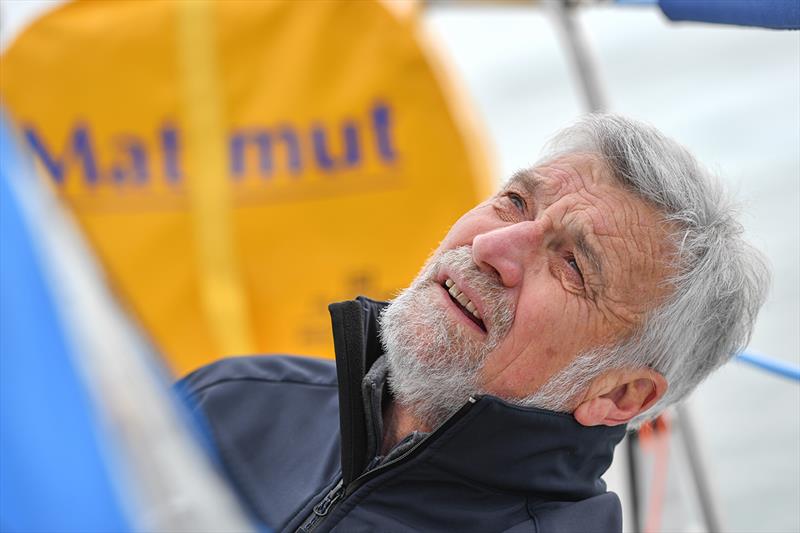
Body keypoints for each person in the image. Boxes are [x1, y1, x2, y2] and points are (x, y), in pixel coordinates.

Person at [178, 114, 769, 532]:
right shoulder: (232, 399)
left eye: (571, 264)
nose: (492, 246)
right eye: (515, 201)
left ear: (619, 394)